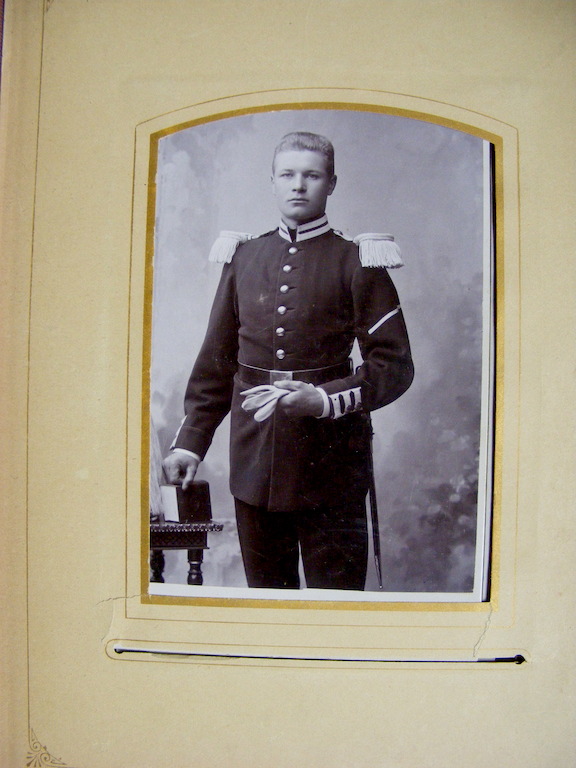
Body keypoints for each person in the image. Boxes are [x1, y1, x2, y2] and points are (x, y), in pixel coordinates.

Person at [162, 131, 413, 590]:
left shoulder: (357, 260)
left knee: (334, 609)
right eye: (288, 175)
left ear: (331, 184)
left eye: (312, 176)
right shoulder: (244, 257)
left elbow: (393, 366)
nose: (299, 186)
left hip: (332, 465)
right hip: (255, 461)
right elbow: (217, 363)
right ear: (273, 182)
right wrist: (189, 443)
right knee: (267, 602)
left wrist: (322, 400)